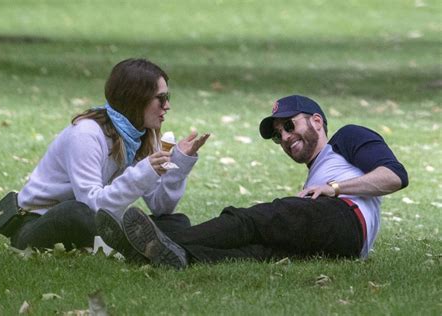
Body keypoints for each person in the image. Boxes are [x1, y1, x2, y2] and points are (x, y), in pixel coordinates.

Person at [100, 94, 409, 269]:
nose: (286, 138)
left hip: (345, 217)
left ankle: (157, 244)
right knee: (257, 251)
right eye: (279, 135)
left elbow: (395, 177)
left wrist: (335, 189)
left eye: (289, 125)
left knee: (250, 221)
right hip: (341, 244)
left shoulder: (348, 137)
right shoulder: (318, 171)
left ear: (316, 121)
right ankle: (175, 255)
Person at [3, 58, 209, 254]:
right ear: (136, 99)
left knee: (176, 222)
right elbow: (92, 206)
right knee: (74, 211)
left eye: (167, 98)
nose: (167, 106)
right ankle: (138, 248)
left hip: (97, 221)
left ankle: (136, 248)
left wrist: (179, 163)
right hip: (38, 222)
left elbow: (160, 206)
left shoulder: (144, 135)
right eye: (161, 99)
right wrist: (144, 171)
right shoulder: (86, 134)